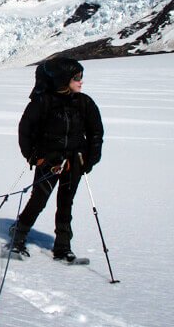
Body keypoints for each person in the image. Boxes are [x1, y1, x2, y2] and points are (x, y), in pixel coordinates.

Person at [10, 57, 104, 262]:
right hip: (49, 161)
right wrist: (34, 157)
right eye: (77, 77)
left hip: (74, 161)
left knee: (65, 203)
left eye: (81, 77)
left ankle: (63, 247)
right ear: (63, 79)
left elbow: (96, 132)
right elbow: (25, 131)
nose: (81, 81)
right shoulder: (43, 102)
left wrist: (91, 158)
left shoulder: (84, 102)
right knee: (39, 200)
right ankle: (18, 236)